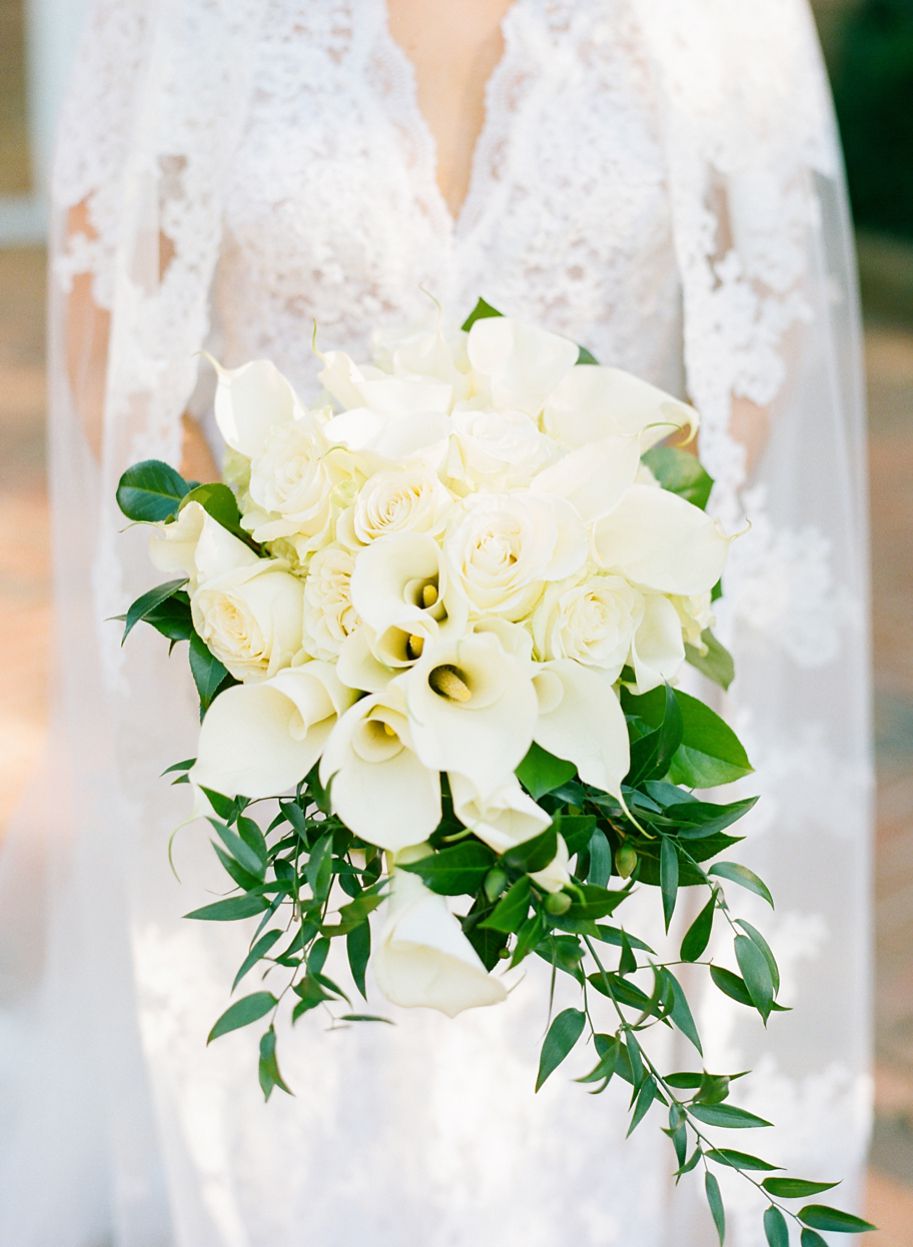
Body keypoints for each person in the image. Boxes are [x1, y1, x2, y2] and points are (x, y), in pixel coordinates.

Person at [0, 2, 873, 1244]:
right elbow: (116, 353)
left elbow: (763, 304)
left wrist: (618, 606)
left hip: (587, 703)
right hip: (279, 707)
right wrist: (272, 626)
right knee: (288, 1112)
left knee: (568, 1122)